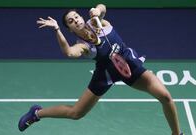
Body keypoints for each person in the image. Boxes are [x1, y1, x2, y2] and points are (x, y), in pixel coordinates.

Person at [18, 4, 183, 135]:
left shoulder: (98, 22)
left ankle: (177, 134)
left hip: (128, 65)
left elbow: (102, 8)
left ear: (82, 17)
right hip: (106, 73)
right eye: (70, 21)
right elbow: (69, 52)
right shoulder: (83, 46)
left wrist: (97, 9)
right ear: (70, 29)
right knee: (76, 113)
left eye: (76, 16)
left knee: (166, 97)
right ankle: (37, 113)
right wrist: (56, 29)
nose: (75, 20)